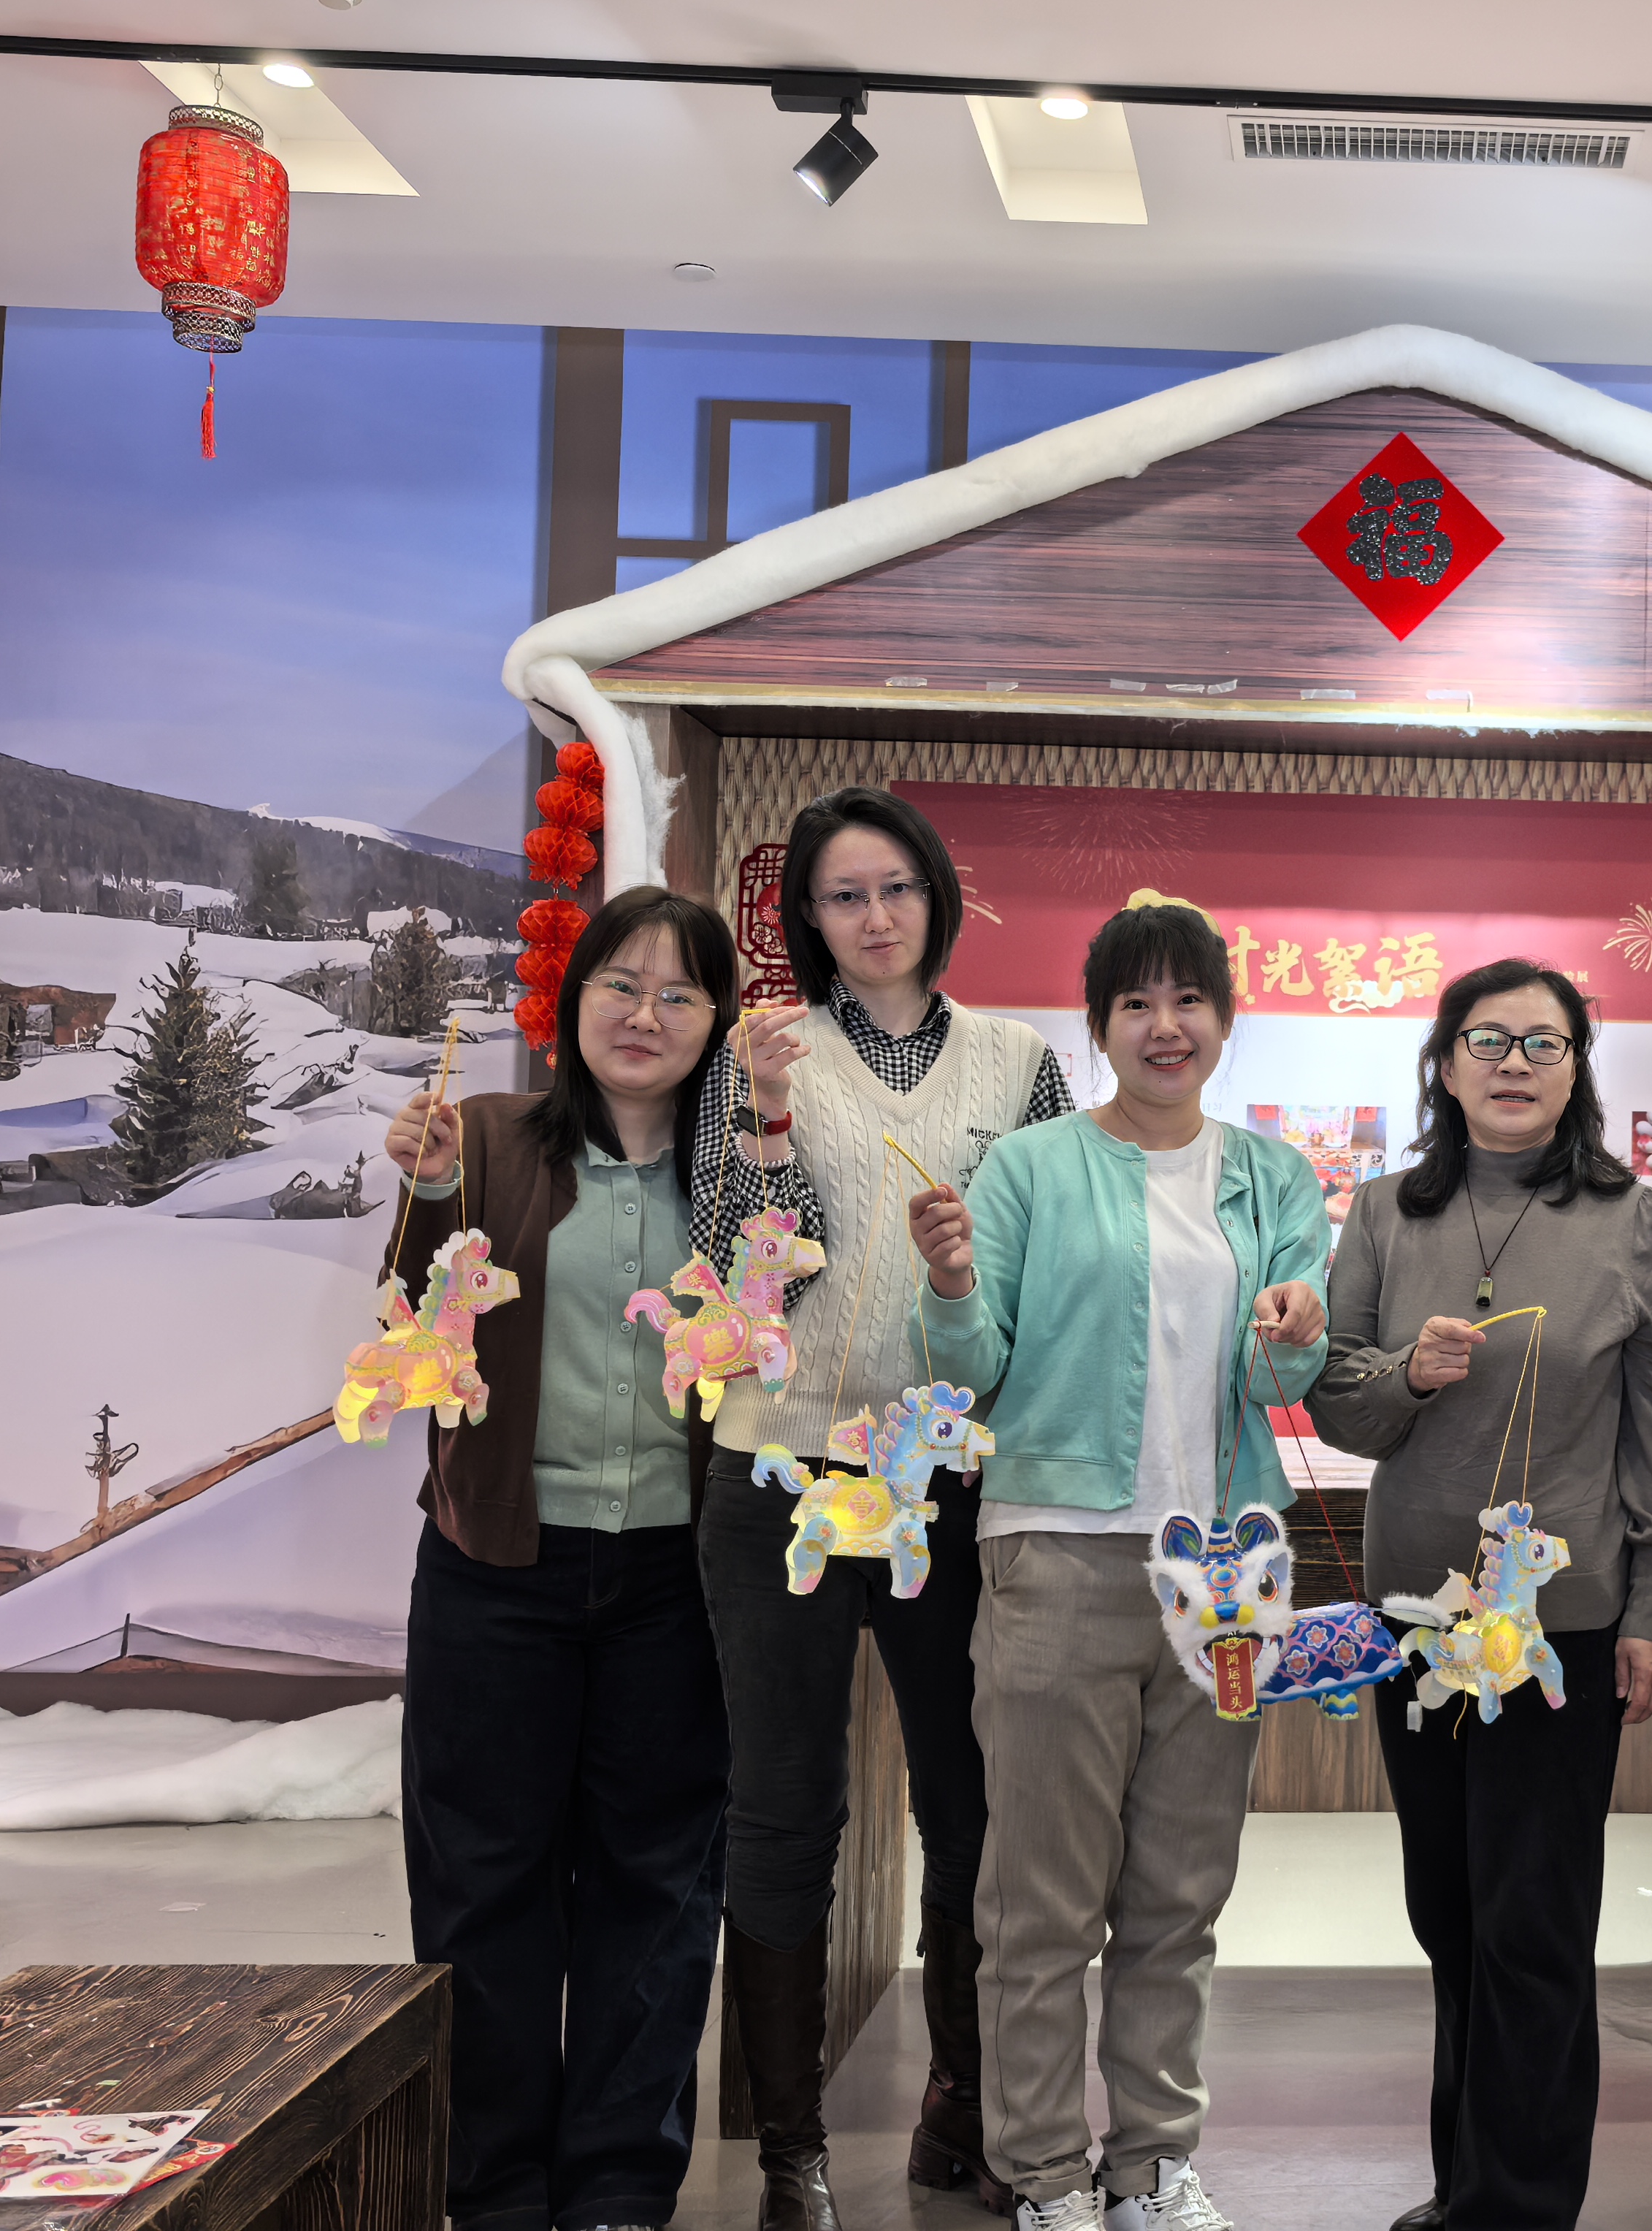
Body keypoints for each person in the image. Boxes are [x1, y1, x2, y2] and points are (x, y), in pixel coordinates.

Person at [912, 896, 1331, 2231]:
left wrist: (1300, 1323)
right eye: (1136, 1003)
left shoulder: (1275, 1179)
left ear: (1224, 1020)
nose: (1166, 1026)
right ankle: (1043, 2173)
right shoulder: (1031, 1169)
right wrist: (951, 1284)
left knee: (1181, 1893)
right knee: (1040, 1902)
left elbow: (1287, 1380)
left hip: (1228, 1575)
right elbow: (970, 1367)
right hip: (1058, 1554)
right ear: (1097, 1026)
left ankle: (1152, 2163)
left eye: (1189, 1000)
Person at [688, 787, 1071, 2231]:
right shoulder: (763, 1051)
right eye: (844, 895)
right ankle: (790, 2153)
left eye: (897, 887)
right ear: (808, 916)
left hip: (950, 1478)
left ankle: (962, 2104)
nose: (875, 916)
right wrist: (770, 1120)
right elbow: (745, 1270)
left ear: (937, 898)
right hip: (783, 1473)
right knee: (784, 1805)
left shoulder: (1018, 1062)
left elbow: (1052, 1272)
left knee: (972, 1801)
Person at [1308, 958, 1652, 2231]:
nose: (1514, 1063)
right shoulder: (1385, 1210)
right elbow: (1339, 1403)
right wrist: (1407, 1377)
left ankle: (1518, 2206)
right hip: (1416, 1623)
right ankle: (1465, 2183)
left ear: (1578, 1066)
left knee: (1533, 1924)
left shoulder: (1631, 1218)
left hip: (1557, 1629)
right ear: (1445, 1062)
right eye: (1488, 1039)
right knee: (1449, 1913)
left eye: (1543, 1042)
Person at [386, 884, 741, 2231]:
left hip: (674, 1582)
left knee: (657, 1886)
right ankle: (495, 2188)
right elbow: (415, 1317)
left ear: (714, 1021)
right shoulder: (482, 1136)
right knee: (483, 1882)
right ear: (572, 999)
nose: (644, 1013)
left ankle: (617, 2189)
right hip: (496, 1570)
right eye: (619, 984)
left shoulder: (736, 1181)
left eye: (679, 992)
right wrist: (428, 1192)